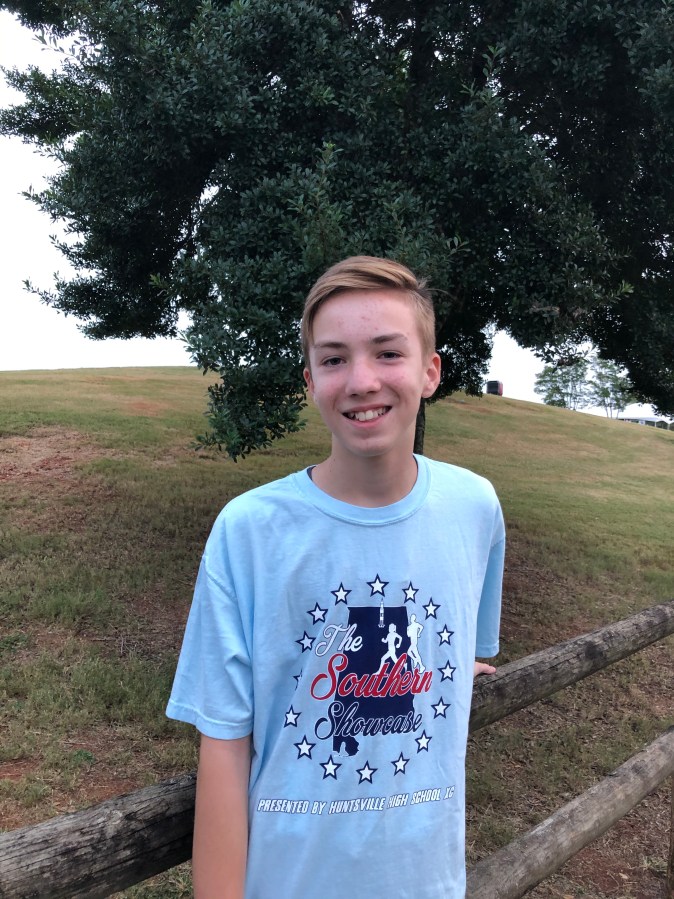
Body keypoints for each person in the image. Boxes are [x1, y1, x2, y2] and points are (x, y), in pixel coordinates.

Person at [166, 256, 505, 899]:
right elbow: (224, 745)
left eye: (388, 353)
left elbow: (459, 641)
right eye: (333, 359)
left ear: (430, 371)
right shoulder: (248, 531)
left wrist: (447, 661)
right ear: (311, 380)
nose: (361, 381)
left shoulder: (476, 507)